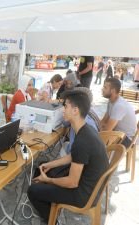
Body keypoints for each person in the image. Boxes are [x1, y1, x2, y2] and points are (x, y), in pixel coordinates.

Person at [27, 90, 109, 224]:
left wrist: (48, 180)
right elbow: (74, 156)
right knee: (42, 168)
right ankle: (52, 209)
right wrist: (51, 164)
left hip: (83, 195)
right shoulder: (86, 130)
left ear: (75, 110)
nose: (62, 110)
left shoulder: (82, 140)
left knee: (33, 190)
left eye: (65, 106)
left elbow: (72, 182)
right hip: (90, 184)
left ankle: (52, 220)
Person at [62, 87, 100, 155]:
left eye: (66, 107)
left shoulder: (83, 130)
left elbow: (77, 155)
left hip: (75, 155)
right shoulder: (88, 114)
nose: (63, 110)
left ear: (76, 109)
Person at [101, 78, 137, 148]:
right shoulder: (111, 101)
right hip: (117, 133)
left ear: (113, 91)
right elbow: (104, 120)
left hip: (126, 139)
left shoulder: (119, 106)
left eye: (105, 87)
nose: (102, 89)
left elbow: (107, 130)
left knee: (95, 141)